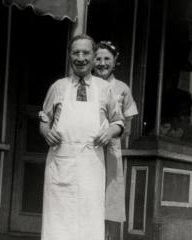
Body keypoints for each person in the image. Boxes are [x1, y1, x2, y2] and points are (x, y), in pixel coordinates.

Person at [39, 35, 125, 240]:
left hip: (92, 164)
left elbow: (119, 122)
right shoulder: (58, 86)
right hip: (61, 162)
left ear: (94, 56)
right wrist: (46, 132)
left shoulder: (105, 89)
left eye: (86, 53)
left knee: (89, 219)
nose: (80, 58)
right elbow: (44, 119)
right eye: (75, 52)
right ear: (69, 55)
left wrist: (109, 132)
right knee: (58, 221)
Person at [94, 41, 138, 240]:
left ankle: (108, 237)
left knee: (110, 194)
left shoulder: (122, 88)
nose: (102, 63)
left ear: (115, 62)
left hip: (111, 150)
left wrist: (112, 133)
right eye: (98, 58)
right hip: (87, 148)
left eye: (107, 59)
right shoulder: (87, 85)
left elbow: (127, 124)